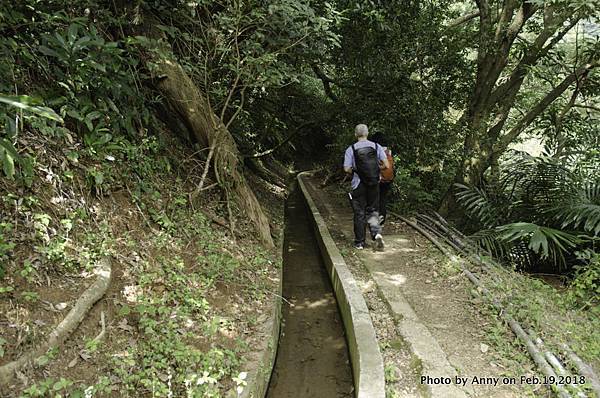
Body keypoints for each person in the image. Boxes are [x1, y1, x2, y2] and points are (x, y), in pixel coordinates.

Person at [343, 124, 389, 250]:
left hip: (358, 184)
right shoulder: (376, 146)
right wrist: (376, 170)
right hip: (374, 183)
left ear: (355, 134)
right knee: (373, 210)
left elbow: (346, 169)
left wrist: (355, 171)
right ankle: (376, 234)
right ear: (367, 133)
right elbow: (387, 165)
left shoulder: (351, 149)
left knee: (359, 213)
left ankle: (359, 243)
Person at [371, 134, 394, 226]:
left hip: (378, 178)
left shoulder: (376, 150)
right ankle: (382, 221)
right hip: (388, 179)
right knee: (383, 199)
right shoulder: (389, 151)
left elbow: (376, 164)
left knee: (374, 199)